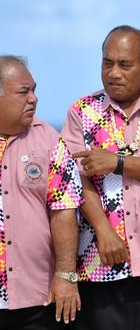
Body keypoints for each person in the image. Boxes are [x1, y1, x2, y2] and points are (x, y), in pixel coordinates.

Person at [61, 26, 140, 330]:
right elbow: (76, 181)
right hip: (99, 262)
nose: (114, 73)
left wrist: (115, 162)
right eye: (107, 63)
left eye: (125, 65)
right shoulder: (82, 111)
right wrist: (104, 231)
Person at [0, 55, 83, 329]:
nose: (34, 99)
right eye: (24, 92)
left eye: (34, 90)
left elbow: (65, 209)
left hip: (37, 298)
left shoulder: (49, 139)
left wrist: (66, 276)